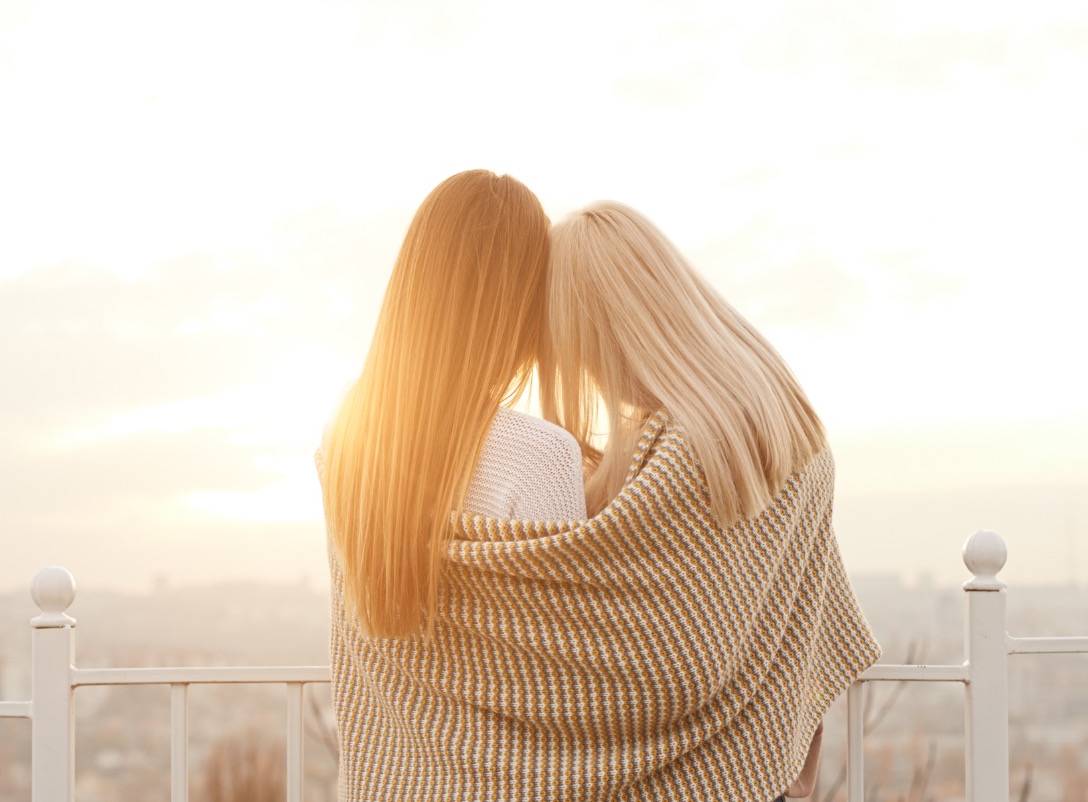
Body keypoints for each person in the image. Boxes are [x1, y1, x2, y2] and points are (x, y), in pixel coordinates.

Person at [323, 187, 876, 801]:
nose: (579, 368)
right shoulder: (778, 429)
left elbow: (601, 643)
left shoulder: (351, 443)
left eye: (572, 342)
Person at [544, 201, 865, 800]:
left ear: (607, 328)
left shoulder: (682, 446)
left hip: (690, 778)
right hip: (755, 766)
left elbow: (632, 628)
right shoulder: (773, 410)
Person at [317, 169, 585, 640]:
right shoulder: (542, 457)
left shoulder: (348, 422)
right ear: (524, 301)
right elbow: (565, 649)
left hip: (379, 694)